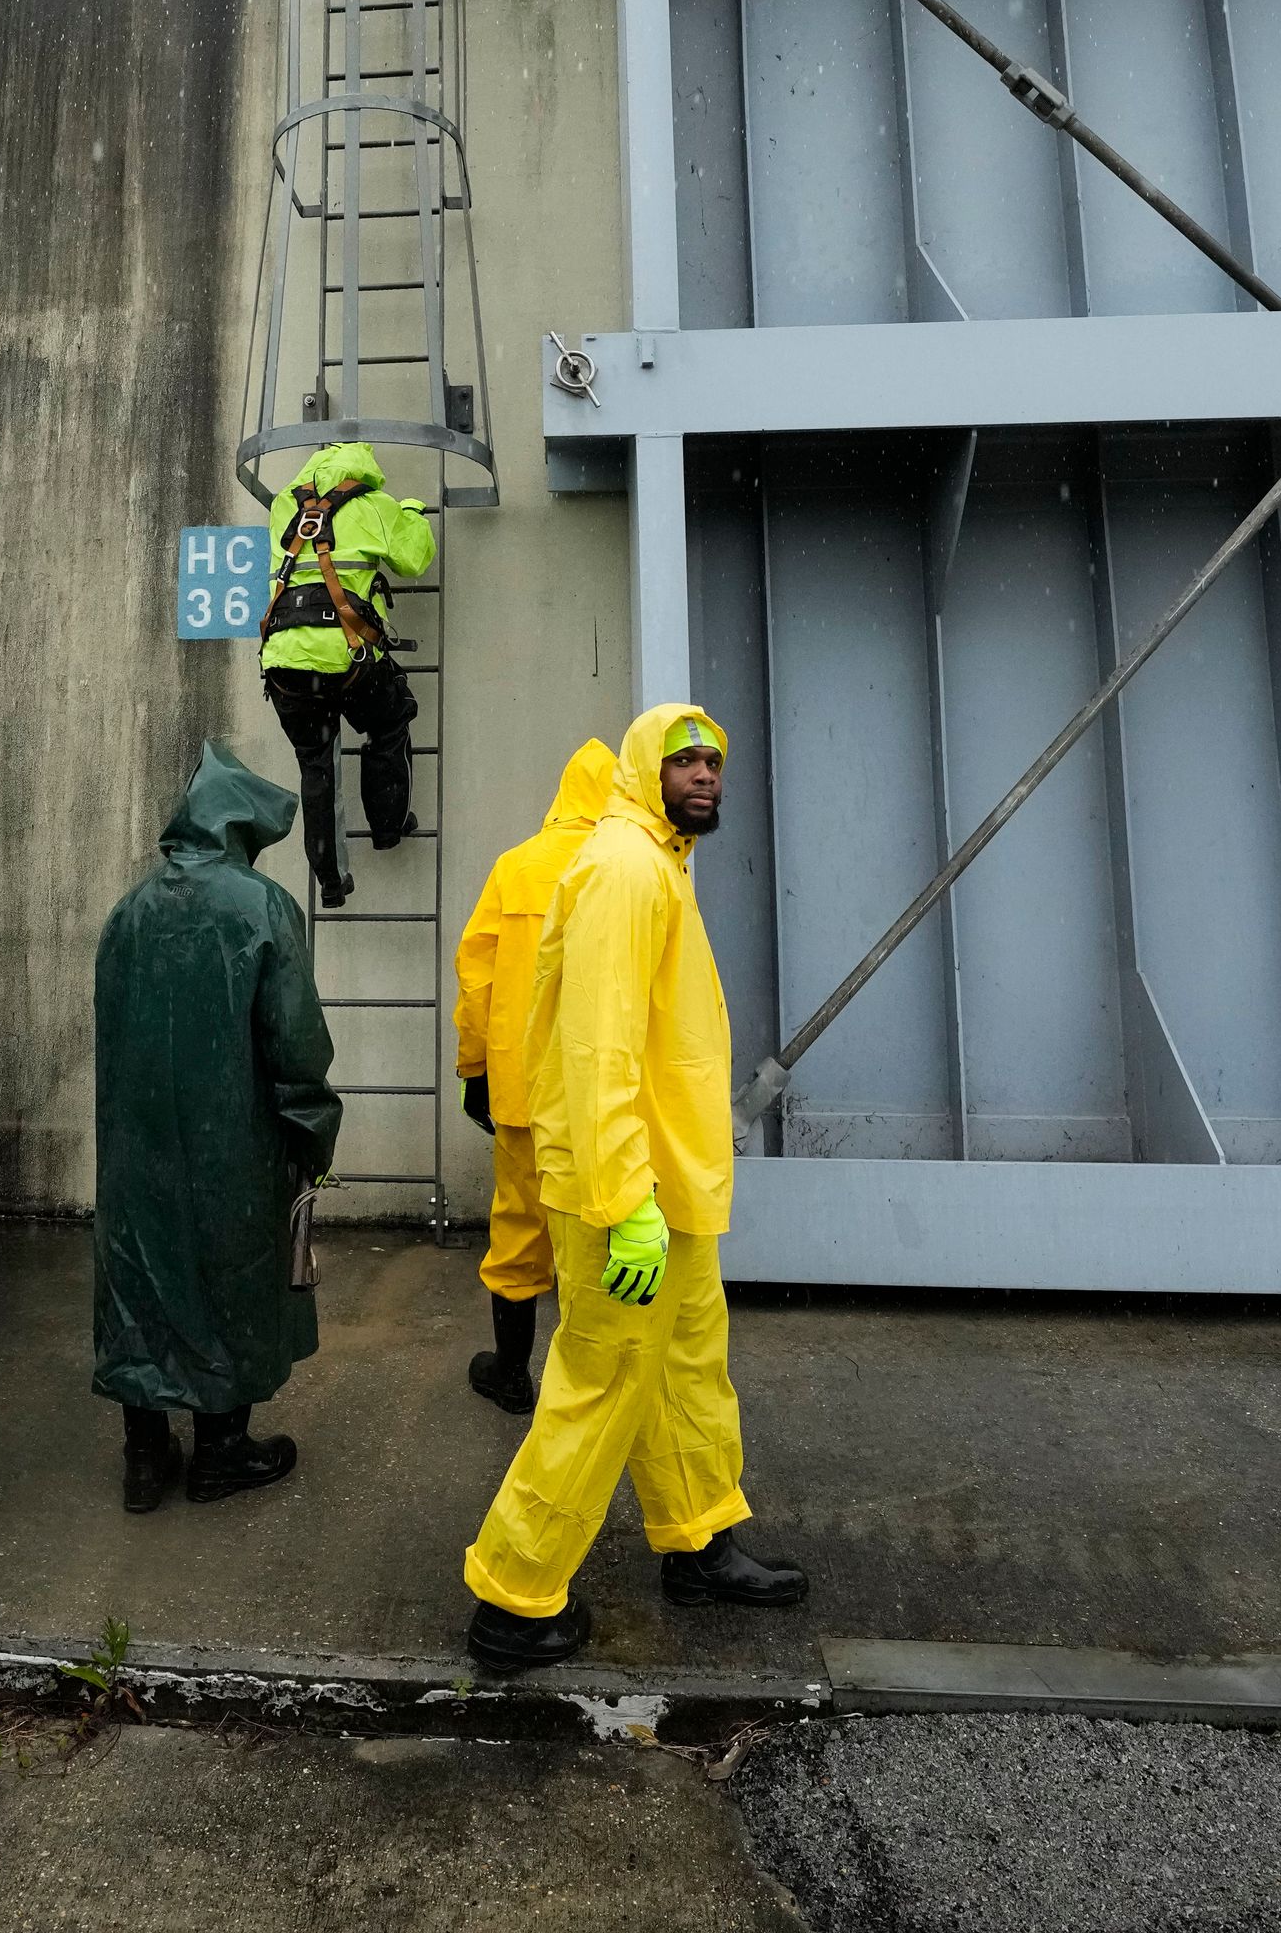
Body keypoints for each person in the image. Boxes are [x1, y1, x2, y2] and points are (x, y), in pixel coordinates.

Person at [460, 704, 811, 1672]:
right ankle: (514, 1595)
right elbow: (597, 1047)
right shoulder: (622, 868)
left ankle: (699, 1540)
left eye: (714, 760)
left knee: (690, 1368)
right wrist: (625, 1203)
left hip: (669, 1186)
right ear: (642, 768)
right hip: (629, 1196)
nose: (705, 773)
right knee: (601, 1382)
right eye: (684, 758)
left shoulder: (659, 862)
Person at [90, 742, 342, 1513]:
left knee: (143, 1278)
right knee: (232, 1278)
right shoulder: (259, 906)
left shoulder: (129, 910)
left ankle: (143, 1455)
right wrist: (313, 1130)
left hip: (136, 1144)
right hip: (235, 1139)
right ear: (241, 828)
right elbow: (293, 1038)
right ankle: (220, 1452)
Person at [449, 738, 620, 1415]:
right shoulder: (628, 868)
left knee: (520, 1228)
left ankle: (511, 1374)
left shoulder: (516, 868)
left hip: (524, 1089)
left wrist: (473, 1070)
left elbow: (478, 978)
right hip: (601, 1093)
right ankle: (592, 1385)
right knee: (598, 1232)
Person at [254, 440, 433, 907]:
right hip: (347, 658)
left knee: (316, 763)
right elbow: (415, 558)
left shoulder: (282, 507)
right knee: (388, 724)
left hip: (283, 663)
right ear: (365, 470)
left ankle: (331, 882)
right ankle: (389, 828)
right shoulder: (375, 506)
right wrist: (410, 511)